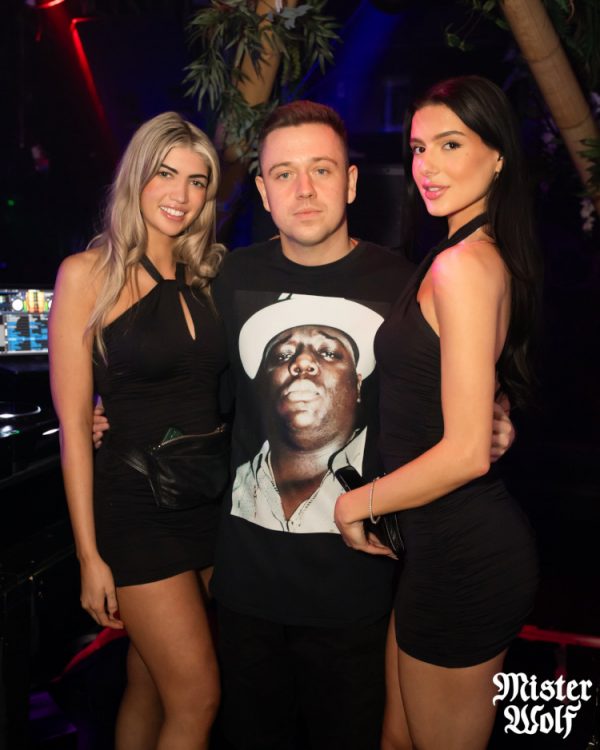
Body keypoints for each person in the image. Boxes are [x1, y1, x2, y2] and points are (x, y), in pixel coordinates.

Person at [92, 100, 515, 749]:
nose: (305, 189)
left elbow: (455, 381)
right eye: (284, 174)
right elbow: (175, 374)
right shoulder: (227, 279)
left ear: (351, 181)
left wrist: (499, 412)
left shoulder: (405, 283)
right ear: (262, 191)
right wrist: (105, 413)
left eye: (322, 169)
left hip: (359, 590)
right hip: (244, 588)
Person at [334, 76, 540, 750]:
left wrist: (355, 503)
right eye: (420, 148)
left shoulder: (465, 266)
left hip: (462, 554)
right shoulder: (453, 255)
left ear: (498, 155)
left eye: (451, 144)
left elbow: (466, 452)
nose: (427, 165)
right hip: (433, 548)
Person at [49, 112, 227, 750]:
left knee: (151, 682)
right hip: (136, 512)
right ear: (137, 178)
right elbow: (75, 427)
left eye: (197, 181)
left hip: (208, 500)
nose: (181, 194)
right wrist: (89, 557)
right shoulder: (86, 275)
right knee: (198, 696)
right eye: (165, 174)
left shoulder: (210, 276)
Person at [232, 293, 384, 532]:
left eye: (328, 352)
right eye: (283, 355)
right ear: (263, 385)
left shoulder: (388, 478)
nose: (302, 362)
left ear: (357, 384)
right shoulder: (237, 487)